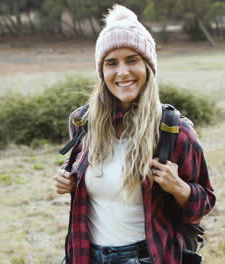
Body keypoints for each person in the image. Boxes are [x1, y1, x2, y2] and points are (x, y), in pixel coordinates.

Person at [53, 4, 216, 264]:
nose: (122, 72)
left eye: (132, 60)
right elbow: (87, 166)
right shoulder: (82, 122)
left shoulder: (175, 131)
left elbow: (205, 201)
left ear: (148, 67)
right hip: (86, 255)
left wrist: (180, 188)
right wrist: (68, 177)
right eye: (111, 63)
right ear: (102, 71)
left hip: (147, 256)